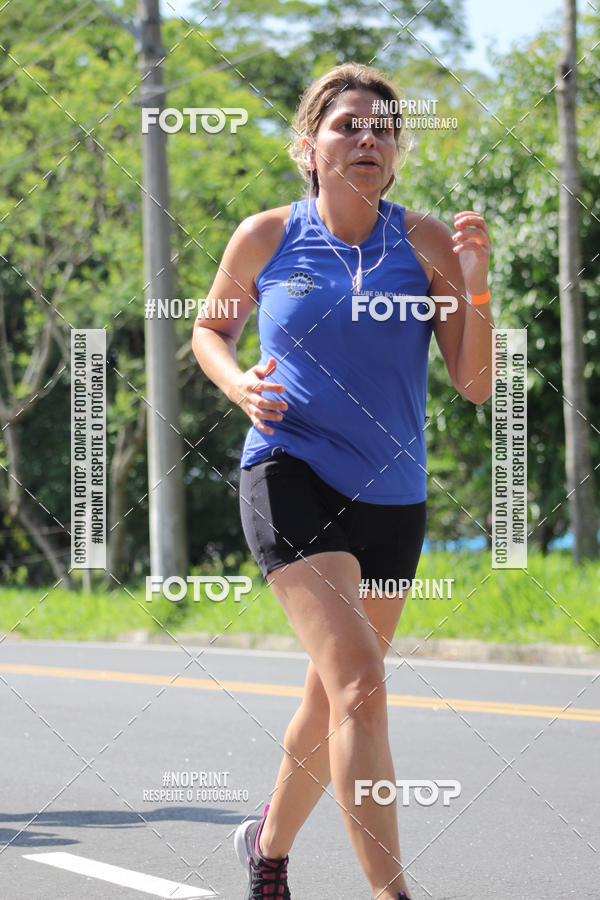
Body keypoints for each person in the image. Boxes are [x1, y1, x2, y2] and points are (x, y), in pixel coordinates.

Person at [192, 62, 494, 900]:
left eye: (382, 129)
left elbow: (474, 383)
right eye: (347, 125)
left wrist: (474, 287)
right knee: (362, 686)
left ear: (394, 155)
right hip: (290, 470)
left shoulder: (426, 242)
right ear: (310, 147)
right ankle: (391, 893)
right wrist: (238, 383)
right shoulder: (265, 236)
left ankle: (267, 847)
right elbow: (209, 331)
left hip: (393, 496)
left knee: (334, 702)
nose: (367, 138)